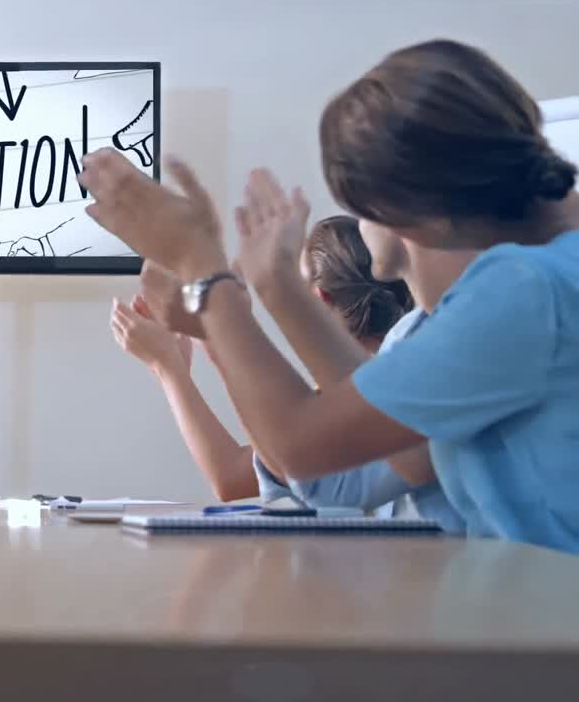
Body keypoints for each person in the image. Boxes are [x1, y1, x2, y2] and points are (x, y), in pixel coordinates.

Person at [81, 39, 579, 552]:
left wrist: (201, 267)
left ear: (418, 213)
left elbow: (301, 446)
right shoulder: (549, 273)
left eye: (364, 209)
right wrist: (273, 285)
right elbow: (406, 451)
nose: (361, 227)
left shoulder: (521, 290)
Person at [111, 214, 414, 505]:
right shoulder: (413, 361)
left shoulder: (346, 402)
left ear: (318, 299)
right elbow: (236, 473)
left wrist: (170, 366)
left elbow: (229, 477)